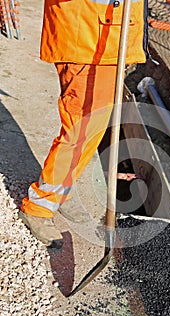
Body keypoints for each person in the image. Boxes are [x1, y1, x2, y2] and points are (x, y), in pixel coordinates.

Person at [19, 0, 148, 248]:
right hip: (89, 40)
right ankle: (40, 205)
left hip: (104, 39)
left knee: (91, 131)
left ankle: (59, 191)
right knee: (80, 130)